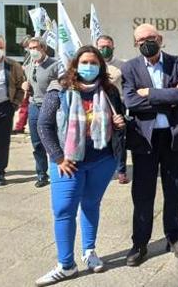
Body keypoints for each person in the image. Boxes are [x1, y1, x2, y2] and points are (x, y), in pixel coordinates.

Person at [35, 45, 126, 286]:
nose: (89, 66)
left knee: (91, 205)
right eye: (84, 62)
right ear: (75, 65)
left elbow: (120, 121)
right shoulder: (59, 90)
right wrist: (57, 157)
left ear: (101, 66)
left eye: (94, 63)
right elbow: (44, 126)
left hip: (102, 160)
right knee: (64, 209)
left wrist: (119, 122)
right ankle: (66, 265)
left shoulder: (109, 91)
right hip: (68, 162)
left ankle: (89, 251)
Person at [122, 23, 178, 265]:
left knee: (175, 190)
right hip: (145, 140)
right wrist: (167, 95)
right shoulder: (130, 67)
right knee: (142, 193)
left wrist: (149, 93)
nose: (146, 43)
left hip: (173, 138)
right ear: (135, 44)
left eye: (150, 38)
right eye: (140, 40)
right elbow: (131, 101)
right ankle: (139, 244)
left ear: (160, 38)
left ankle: (175, 237)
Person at [22, 37, 60, 188]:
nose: (33, 51)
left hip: (51, 108)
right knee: (37, 143)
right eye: (30, 48)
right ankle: (41, 174)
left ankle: (57, 172)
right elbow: (30, 84)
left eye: (36, 47)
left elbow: (62, 85)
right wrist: (25, 85)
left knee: (53, 141)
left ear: (43, 48)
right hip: (34, 107)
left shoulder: (55, 65)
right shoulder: (30, 64)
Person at [95, 34, 129, 184]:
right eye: (101, 47)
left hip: (117, 105)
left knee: (118, 139)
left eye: (108, 46)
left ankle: (121, 170)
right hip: (97, 104)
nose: (105, 49)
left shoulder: (123, 65)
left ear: (113, 47)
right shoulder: (92, 63)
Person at [0, 34, 24, 186]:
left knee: (3, 143)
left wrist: (14, 105)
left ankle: (0, 174)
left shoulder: (13, 65)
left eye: (0, 47)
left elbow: (20, 87)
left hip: (4, 107)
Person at [12, 34, 32, 134]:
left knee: (25, 104)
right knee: (24, 105)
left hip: (30, 83)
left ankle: (20, 126)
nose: (25, 48)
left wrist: (25, 68)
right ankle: (20, 126)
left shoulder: (33, 54)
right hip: (25, 81)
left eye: (25, 45)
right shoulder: (28, 54)